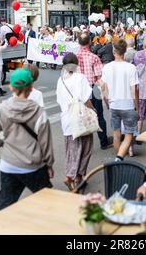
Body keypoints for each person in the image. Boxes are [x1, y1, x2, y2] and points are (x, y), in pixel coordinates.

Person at [0, 69, 54, 210]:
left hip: (9, 165)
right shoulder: (39, 113)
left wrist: (2, 144)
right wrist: (49, 165)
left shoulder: (0, 110)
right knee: (47, 203)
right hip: (35, 166)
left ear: (11, 87)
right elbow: (46, 144)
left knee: (5, 207)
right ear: (31, 87)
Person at [56, 53, 94, 191]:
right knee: (86, 147)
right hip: (81, 118)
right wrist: (93, 110)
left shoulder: (61, 80)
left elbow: (59, 100)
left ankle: (73, 175)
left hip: (67, 119)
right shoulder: (80, 78)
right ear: (76, 64)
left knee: (71, 150)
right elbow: (86, 99)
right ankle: (75, 176)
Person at [100, 39, 139, 161]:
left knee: (116, 135)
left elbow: (104, 88)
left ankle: (119, 159)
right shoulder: (131, 68)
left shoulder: (107, 68)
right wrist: (136, 105)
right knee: (128, 135)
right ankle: (120, 158)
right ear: (125, 51)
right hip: (128, 104)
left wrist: (107, 101)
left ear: (113, 51)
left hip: (114, 104)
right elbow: (134, 90)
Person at [77, 33, 113, 150]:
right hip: (92, 89)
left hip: (78, 90)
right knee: (99, 116)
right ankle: (103, 142)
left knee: (81, 116)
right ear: (90, 42)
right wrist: (106, 96)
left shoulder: (74, 57)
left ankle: (82, 144)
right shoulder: (94, 58)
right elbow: (99, 78)